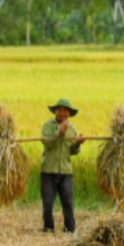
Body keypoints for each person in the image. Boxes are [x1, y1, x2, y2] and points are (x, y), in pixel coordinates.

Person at [40, 98, 87, 234]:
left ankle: (69, 228)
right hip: (49, 170)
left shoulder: (72, 130)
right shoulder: (47, 126)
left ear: (69, 114)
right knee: (48, 202)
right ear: (56, 111)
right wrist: (60, 133)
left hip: (66, 171)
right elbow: (48, 144)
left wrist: (78, 144)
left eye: (66, 111)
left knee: (68, 202)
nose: (63, 113)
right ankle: (48, 227)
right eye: (60, 110)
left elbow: (72, 151)